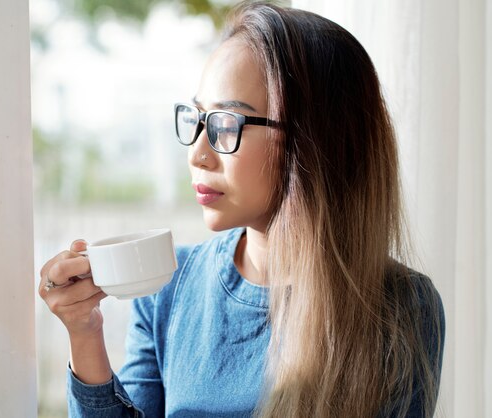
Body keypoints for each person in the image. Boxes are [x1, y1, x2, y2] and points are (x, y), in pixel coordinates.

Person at [38, 2, 445, 417]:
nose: (198, 154)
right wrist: (84, 332)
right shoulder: (169, 293)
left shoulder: (400, 308)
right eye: (197, 119)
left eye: (226, 124)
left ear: (315, 142)